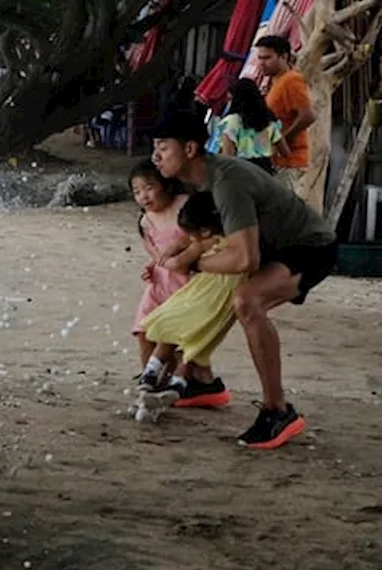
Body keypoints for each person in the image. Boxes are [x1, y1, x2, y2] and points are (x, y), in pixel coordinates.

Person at [152, 110, 338, 449]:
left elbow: (244, 258)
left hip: (311, 248)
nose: (155, 156)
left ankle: (278, 411)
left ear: (190, 149)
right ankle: (201, 380)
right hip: (275, 248)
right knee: (211, 291)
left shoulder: (226, 182)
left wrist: (194, 263)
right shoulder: (205, 179)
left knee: (247, 301)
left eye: (163, 148)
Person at [138, 192, 245, 409]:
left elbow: (179, 261)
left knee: (170, 327)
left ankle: (149, 376)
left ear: (204, 231)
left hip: (202, 295)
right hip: (219, 301)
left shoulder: (205, 243)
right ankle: (177, 385)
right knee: (191, 344)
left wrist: (164, 258)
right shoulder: (238, 242)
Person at [130, 159, 192, 366]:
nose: (143, 196)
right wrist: (150, 267)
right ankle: (148, 378)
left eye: (149, 187)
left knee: (177, 337)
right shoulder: (145, 222)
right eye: (137, 191)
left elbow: (204, 238)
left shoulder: (184, 205)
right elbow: (155, 254)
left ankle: (176, 378)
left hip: (186, 282)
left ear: (166, 184)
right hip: (158, 283)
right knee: (144, 329)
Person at [254, 35, 316, 193]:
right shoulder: (274, 82)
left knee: (282, 213)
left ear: (284, 57)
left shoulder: (292, 81)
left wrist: (283, 139)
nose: (261, 63)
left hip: (289, 162)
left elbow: (308, 115)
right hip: (275, 161)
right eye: (259, 58)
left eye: (267, 58)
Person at [217, 78, 291, 174]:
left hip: (242, 173)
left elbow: (228, 157)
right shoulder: (269, 121)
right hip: (265, 173)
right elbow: (285, 152)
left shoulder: (231, 122)